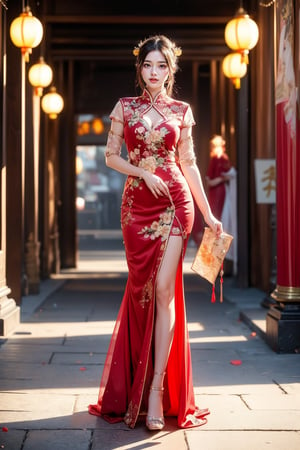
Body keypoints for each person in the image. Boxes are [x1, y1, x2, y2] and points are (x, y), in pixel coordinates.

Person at [88, 35, 222, 431]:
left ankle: (156, 392)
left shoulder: (182, 110)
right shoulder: (123, 108)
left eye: (162, 66)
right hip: (136, 208)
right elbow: (111, 157)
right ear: (139, 68)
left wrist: (208, 214)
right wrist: (143, 172)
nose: (154, 72)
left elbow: (190, 165)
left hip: (176, 205)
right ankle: (138, 381)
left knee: (166, 290)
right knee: (141, 291)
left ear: (171, 70)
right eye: (148, 65)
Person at [206, 135, 237, 273]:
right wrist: (222, 178)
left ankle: (218, 267)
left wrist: (220, 179)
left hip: (219, 195)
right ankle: (217, 267)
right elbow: (210, 180)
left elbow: (210, 180)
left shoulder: (221, 158)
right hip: (218, 194)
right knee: (219, 226)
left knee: (219, 227)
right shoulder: (219, 159)